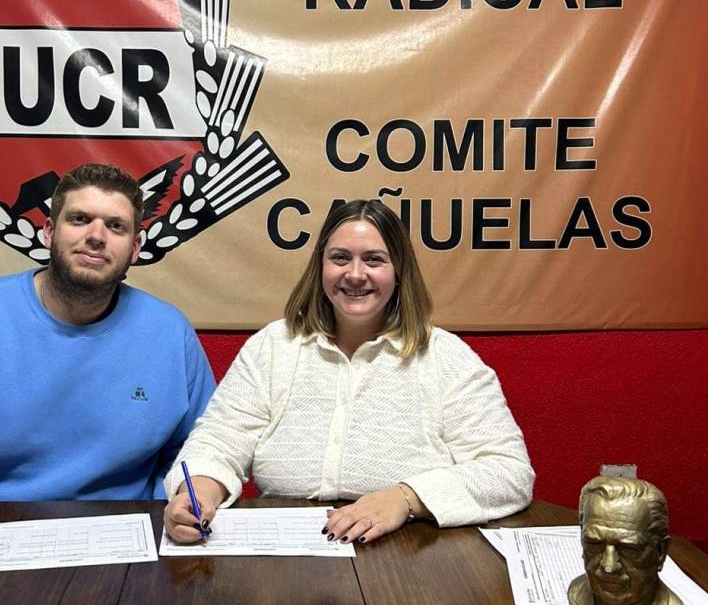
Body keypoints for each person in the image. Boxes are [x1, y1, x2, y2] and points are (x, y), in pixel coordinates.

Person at [0, 163, 216, 566]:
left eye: (116, 227)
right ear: (48, 231)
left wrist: (190, 499)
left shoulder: (169, 331)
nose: (96, 236)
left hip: (125, 543)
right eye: (79, 219)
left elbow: (205, 447)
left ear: (135, 248)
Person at [163, 199, 533, 544]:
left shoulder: (447, 357)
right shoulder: (273, 346)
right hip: (289, 550)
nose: (355, 274)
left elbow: (509, 472)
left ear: (399, 271)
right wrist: (199, 493)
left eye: (374, 260)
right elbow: (219, 441)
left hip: (411, 550)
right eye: (340, 258)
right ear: (320, 266)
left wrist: (405, 498)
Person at [568, 476, 684, 605]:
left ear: (660, 552)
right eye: (594, 544)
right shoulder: (577, 593)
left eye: (628, 549)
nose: (609, 567)